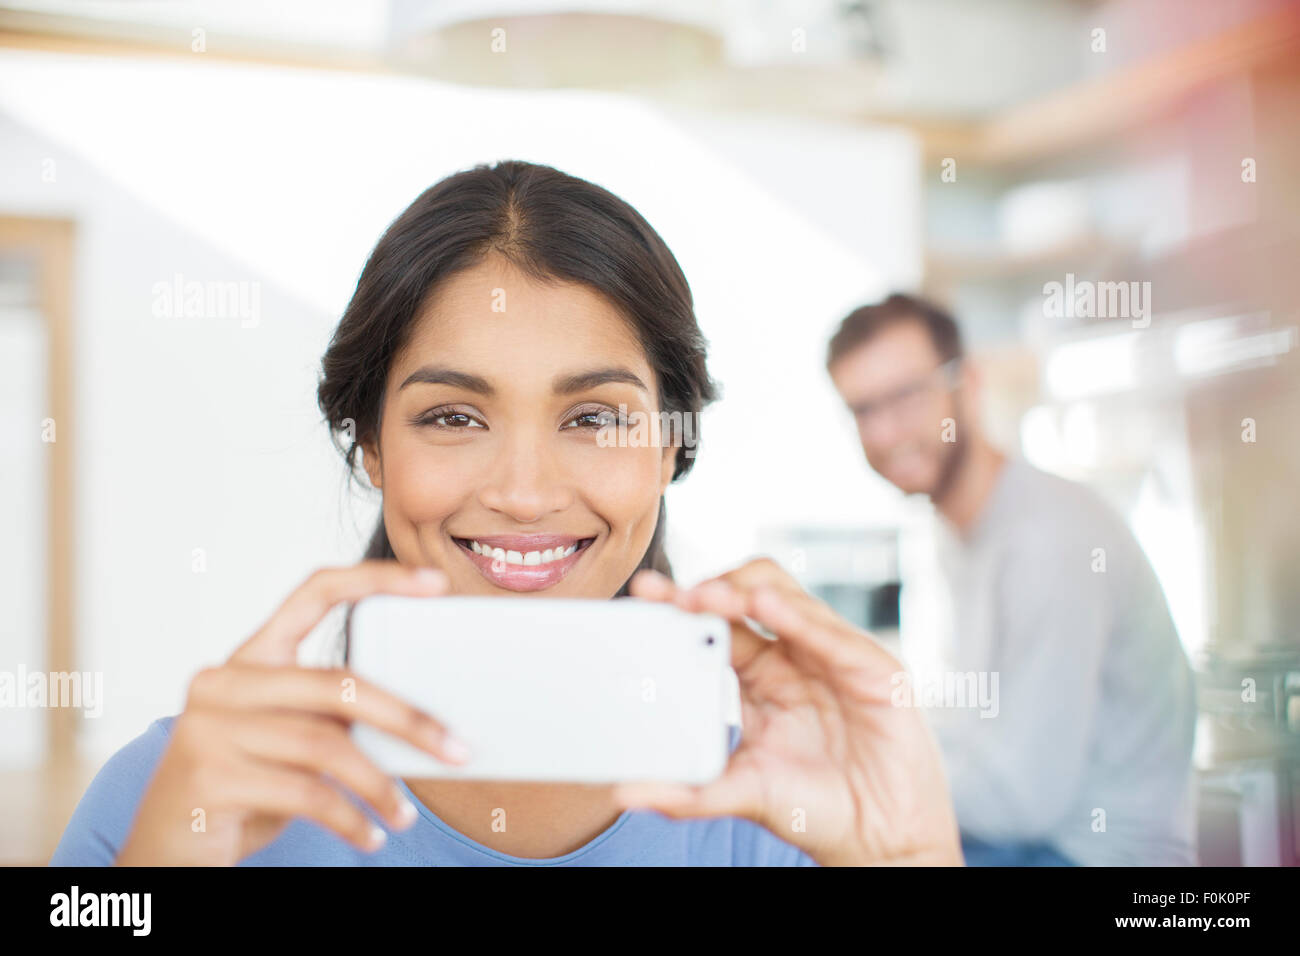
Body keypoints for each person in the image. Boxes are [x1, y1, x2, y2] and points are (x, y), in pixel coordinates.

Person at [51, 162, 962, 867]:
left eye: (594, 418)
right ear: (370, 445)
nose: (524, 493)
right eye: (453, 417)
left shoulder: (787, 814)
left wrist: (911, 856)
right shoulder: (175, 793)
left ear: (670, 448)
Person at [825, 293, 1198, 866]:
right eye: (863, 409)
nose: (886, 431)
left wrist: (857, 775)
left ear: (967, 384)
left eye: (906, 395)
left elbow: (1023, 799)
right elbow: (965, 734)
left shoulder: (1047, 539)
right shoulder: (955, 533)